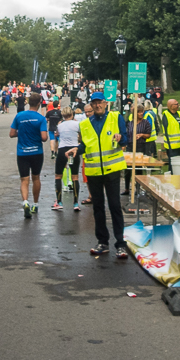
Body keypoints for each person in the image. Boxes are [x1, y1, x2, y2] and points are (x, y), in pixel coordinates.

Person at [78, 92, 129, 259]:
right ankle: (102, 242)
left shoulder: (116, 117)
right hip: (93, 172)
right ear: (91, 105)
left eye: (100, 102)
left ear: (105, 103)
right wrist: (75, 150)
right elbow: (84, 146)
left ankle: (120, 244)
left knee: (115, 206)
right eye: (94, 103)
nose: (97, 105)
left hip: (112, 170)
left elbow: (125, 140)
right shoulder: (85, 124)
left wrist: (121, 138)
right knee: (98, 208)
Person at [10, 94, 48, 219]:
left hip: (22, 152)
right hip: (36, 152)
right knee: (36, 178)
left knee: (24, 180)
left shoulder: (19, 116)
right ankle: (35, 204)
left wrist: (22, 134)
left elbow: (11, 134)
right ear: (39, 103)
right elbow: (44, 138)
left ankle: (25, 202)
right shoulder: (41, 118)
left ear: (28, 102)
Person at [51, 107, 83, 211]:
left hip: (62, 150)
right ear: (72, 115)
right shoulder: (77, 124)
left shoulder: (60, 125)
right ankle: (75, 203)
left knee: (58, 176)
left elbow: (56, 135)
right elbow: (81, 136)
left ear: (63, 116)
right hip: (74, 149)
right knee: (75, 177)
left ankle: (59, 201)